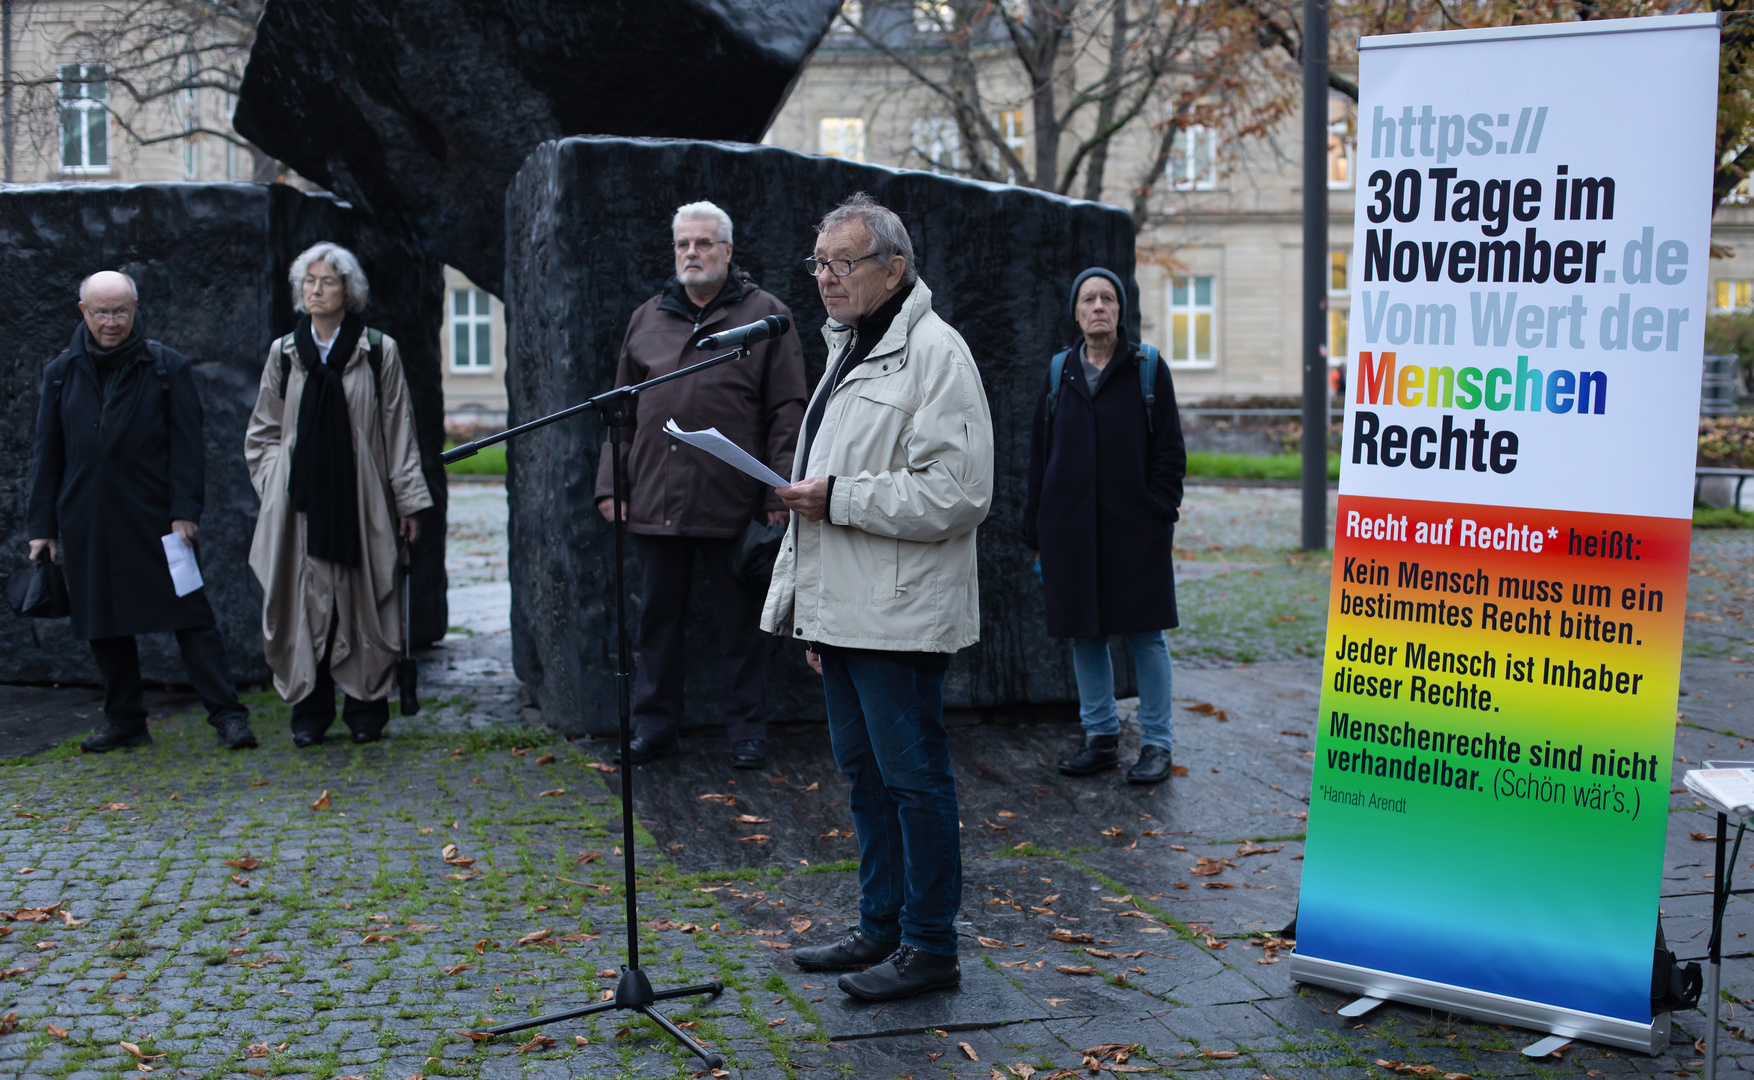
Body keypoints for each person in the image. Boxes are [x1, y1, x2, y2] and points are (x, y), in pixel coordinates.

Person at [767, 193, 993, 1002]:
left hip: (899, 615)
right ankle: (881, 926)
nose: (825, 278)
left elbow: (961, 492)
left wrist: (839, 498)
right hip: (848, 612)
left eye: (842, 263)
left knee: (914, 781)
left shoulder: (936, 353)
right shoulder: (850, 349)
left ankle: (931, 947)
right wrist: (814, 614)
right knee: (866, 779)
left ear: (894, 268)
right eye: (819, 263)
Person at [594, 200, 806, 770]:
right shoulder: (647, 318)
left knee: (741, 626)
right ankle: (655, 726)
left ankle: (747, 731)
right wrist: (612, 484)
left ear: (728, 251)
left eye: (705, 243)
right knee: (656, 621)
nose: (693, 252)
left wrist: (776, 493)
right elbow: (620, 408)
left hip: (736, 503)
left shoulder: (766, 316)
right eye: (684, 244)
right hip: (655, 500)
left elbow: (788, 411)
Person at [27, 270, 257, 753]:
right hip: (87, 518)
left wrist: (184, 510)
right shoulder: (61, 372)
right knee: (101, 621)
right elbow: (47, 455)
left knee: (192, 616)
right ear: (83, 312)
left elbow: (188, 447)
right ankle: (125, 719)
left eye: (121, 311)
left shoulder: (165, 366)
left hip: (158, 517)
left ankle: (228, 716)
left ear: (136, 309)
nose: (112, 322)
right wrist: (42, 528)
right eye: (102, 312)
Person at [245, 242, 432, 747]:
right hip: (299, 504)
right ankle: (310, 709)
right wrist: (275, 483)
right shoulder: (284, 353)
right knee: (301, 599)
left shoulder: (377, 349)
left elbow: (398, 429)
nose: (315, 290)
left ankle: (366, 707)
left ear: (349, 291)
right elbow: (262, 429)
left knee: (363, 598)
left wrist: (408, 500)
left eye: (326, 281)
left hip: (361, 499)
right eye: (308, 281)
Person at [1022, 268, 1185, 785]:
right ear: (1075, 312)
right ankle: (1101, 737)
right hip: (1071, 533)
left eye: (1107, 299)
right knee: (1084, 636)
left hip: (1136, 532)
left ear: (1120, 310)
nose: (1098, 307)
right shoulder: (1057, 374)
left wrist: (1158, 508)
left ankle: (1157, 743)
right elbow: (1038, 459)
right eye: (1089, 299)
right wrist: (1037, 531)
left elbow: (1170, 453)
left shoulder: (1147, 369)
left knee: (1145, 637)